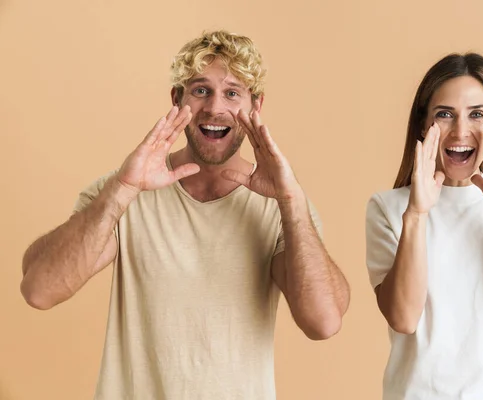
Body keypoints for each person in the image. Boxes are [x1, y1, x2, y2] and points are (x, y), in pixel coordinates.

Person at [20, 30, 350, 399]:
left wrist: (290, 201)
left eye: (232, 93)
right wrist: (121, 190)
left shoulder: (284, 207)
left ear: (255, 106)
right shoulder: (124, 192)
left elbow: (323, 322)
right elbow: (39, 290)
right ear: (178, 99)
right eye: (200, 90)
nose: (214, 108)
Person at [365, 53, 483, 400]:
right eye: (444, 114)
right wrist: (417, 215)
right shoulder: (388, 209)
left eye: (477, 114)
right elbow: (404, 318)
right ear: (423, 125)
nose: (461, 131)